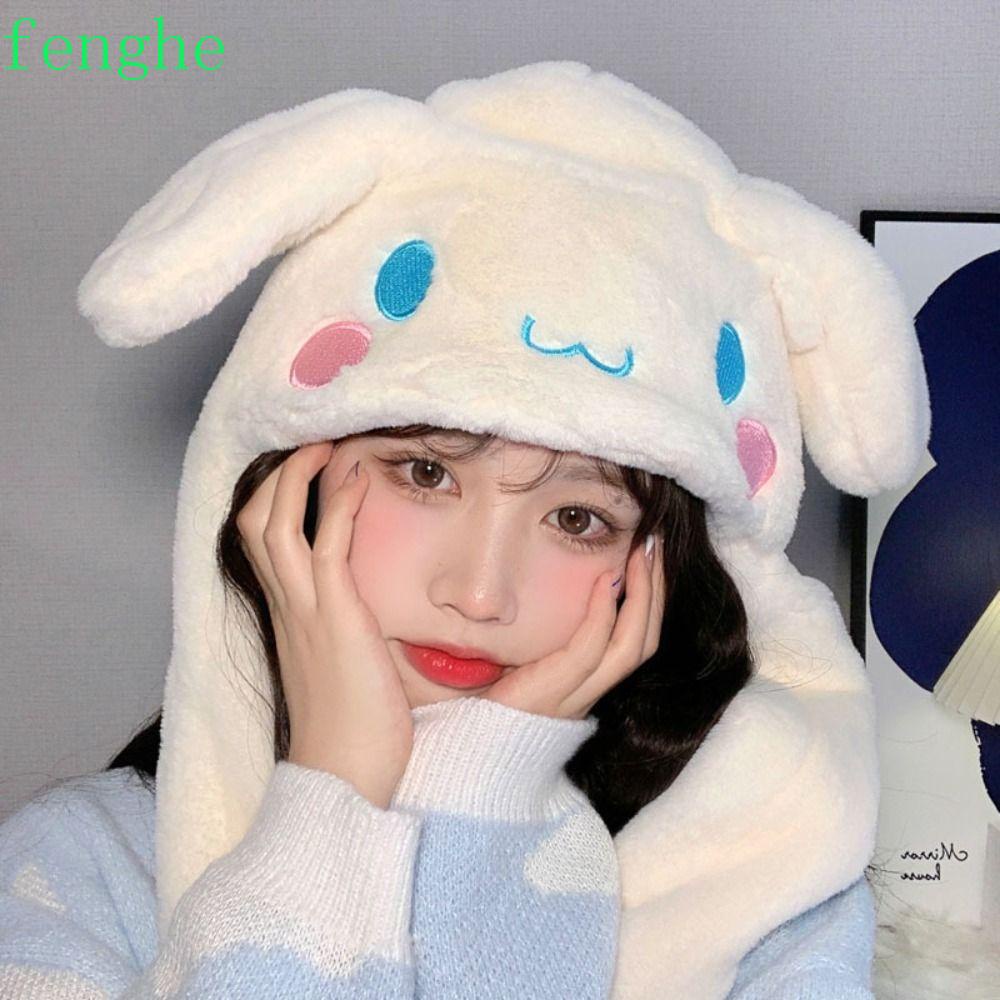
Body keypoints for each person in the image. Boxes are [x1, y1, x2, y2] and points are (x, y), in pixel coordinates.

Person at [0, 59, 930, 998]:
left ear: (662, 563)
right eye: (426, 472)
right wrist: (334, 790)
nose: (480, 593)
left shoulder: (766, 886)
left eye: (578, 518)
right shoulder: (82, 869)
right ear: (291, 483)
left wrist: (481, 787)